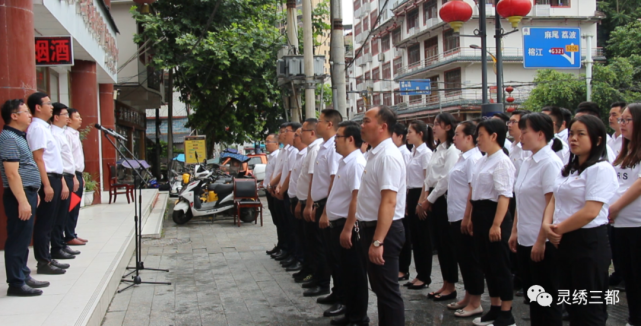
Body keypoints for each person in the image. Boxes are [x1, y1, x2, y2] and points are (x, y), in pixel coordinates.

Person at [544, 114, 617, 326]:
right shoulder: (569, 169)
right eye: (571, 134)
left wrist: (556, 230)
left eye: (580, 134)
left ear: (597, 139)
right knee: (573, 304)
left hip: (587, 242)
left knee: (589, 308)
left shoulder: (600, 169)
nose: (573, 139)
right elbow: (554, 198)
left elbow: (590, 212)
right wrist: (547, 226)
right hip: (563, 239)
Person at [509, 113, 564, 325]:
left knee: (547, 298)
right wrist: (515, 231)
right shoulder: (528, 161)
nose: (520, 136)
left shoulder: (550, 163)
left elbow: (553, 204)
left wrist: (541, 240)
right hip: (525, 237)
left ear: (540, 134)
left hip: (542, 242)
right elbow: (520, 200)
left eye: (525, 132)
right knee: (534, 296)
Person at [357, 105, 406, 326]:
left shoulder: (387, 156)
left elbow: (389, 201)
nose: (362, 125)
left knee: (387, 292)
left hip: (384, 231)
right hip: (373, 228)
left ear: (382, 126)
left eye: (367, 121)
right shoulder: (374, 153)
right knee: (380, 289)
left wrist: (378, 241)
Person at [470, 119, 516, 326]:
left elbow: (504, 196)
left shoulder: (502, 161)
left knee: (500, 265)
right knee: (487, 264)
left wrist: (496, 224)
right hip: (480, 213)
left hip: (494, 214)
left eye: (480, 135)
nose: (478, 139)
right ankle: (495, 307)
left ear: (494, 136)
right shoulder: (483, 160)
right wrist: (471, 217)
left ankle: (507, 311)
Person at [1, 99, 49, 296]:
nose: (30, 115)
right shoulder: (8, 138)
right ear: (14, 116)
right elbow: (12, 173)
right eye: (25, 112)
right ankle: (16, 283)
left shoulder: (18, 136)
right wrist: (22, 200)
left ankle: (23, 274)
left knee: (23, 237)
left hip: (27, 192)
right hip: (18, 196)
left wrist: (33, 193)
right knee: (17, 239)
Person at [324, 121, 368, 325]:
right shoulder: (345, 161)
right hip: (338, 224)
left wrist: (348, 228)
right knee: (346, 272)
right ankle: (350, 312)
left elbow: (356, 198)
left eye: (338, 137)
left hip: (346, 225)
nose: (335, 142)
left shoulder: (357, 163)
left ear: (351, 139)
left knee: (355, 274)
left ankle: (358, 317)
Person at [419, 113, 461, 301]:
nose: (434, 127)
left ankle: (451, 285)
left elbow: (446, 179)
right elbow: (429, 176)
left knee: (447, 245)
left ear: (448, 127)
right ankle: (445, 283)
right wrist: (426, 195)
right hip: (434, 197)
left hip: (443, 199)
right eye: (434, 124)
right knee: (440, 245)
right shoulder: (437, 149)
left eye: (438, 124)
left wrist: (430, 199)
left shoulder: (452, 150)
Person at [26, 92, 68, 275]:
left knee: (51, 221)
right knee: (44, 222)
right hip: (47, 179)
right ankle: (43, 261)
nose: (51, 107)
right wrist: (47, 185)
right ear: (38, 107)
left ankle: (48, 257)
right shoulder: (37, 128)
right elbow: (38, 158)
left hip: (55, 177)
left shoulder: (45, 128)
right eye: (48, 103)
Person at [446, 121, 484, 318]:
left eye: (458, 134)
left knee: (471, 260)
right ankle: (468, 296)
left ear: (469, 137)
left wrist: (467, 217)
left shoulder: (473, 159)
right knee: (463, 259)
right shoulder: (462, 157)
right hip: (455, 214)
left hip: (464, 216)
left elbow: (473, 189)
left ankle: (476, 302)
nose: (454, 137)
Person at [608, 103, 641, 326]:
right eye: (622, 120)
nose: (622, 124)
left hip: (637, 224)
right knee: (629, 278)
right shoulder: (624, 151)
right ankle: (634, 317)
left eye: (626, 120)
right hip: (618, 224)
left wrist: (616, 207)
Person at [310, 109, 343, 306]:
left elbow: (333, 180)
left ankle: (341, 297)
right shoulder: (324, 146)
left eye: (320, 121)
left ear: (330, 124)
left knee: (335, 256)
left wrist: (326, 210)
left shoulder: (333, 148)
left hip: (329, 205)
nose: (317, 125)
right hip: (321, 203)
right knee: (330, 254)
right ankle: (336, 292)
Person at [402, 120, 433, 288]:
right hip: (412, 193)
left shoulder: (426, 153)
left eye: (410, 132)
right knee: (415, 237)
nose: (407, 135)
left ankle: (424, 276)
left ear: (420, 134)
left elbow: (426, 179)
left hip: (420, 194)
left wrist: (422, 201)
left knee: (423, 238)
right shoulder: (413, 152)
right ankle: (419, 273)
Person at [50, 103, 81, 259]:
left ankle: (65, 239)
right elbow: (59, 160)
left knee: (70, 209)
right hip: (65, 176)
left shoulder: (64, 133)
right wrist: (69, 177)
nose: (70, 118)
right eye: (67, 115)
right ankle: (61, 242)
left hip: (72, 175)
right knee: (63, 212)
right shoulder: (59, 134)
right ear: (57, 117)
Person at [295, 118, 323, 284]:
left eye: (302, 132)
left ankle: (319, 278)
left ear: (312, 133)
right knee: (308, 241)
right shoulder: (311, 150)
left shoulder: (315, 150)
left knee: (316, 244)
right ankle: (312, 272)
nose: (299, 135)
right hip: (305, 200)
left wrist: (309, 204)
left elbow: (313, 179)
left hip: (312, 202)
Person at [275, 122, 302, 270]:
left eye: (287, 131)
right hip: (287, 193)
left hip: (296, 197)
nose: (283, 134)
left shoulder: (296, 152)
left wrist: (280, 187)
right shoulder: (287, 151)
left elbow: (290, 174)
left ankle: (297, 256)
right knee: (285, 225)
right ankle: (288, 251)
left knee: (295, 231)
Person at [392, 123, 412, 282]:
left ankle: (403, 269)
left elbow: (405, 179)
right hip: (399, 199)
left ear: (400, 136)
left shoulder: (404, 153)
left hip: (401, 199)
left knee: (403, 236)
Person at [64, 108, 87, 245]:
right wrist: (73, 176)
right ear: (69, 120)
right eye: (77, 117)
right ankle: (68, 235)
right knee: (71, 207)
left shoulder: (75, 134)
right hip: (71, 175)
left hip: (77, 174)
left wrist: (80, 175)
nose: (80, 119)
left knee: (75, 205)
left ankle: (72, 233)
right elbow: (68, 158)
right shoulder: (67, 134)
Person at [286, 125, 307, 274]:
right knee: (295, 231)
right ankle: (298, 259)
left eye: (296, 135)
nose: (294, 137)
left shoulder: (307, 154)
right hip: (294, 198)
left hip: (305, 202)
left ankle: (303, 261)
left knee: (307, 239)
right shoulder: (299, 154)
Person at [268, 125, 290, 262]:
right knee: (280, 222)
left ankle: (289, 251)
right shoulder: (283, 151)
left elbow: (286, 173)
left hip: (282, 191)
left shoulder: (291, 152)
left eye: (285, 132)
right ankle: (282, 246)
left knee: (287, 225)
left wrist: (276, 186)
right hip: (275, 190)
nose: (282, 134)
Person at [264, 134, 282, 256]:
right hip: (269, 190)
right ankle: (280, 245)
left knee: (281, 222)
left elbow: (279, 174)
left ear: (276, 143)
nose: (266, 144)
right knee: (277, 221)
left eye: (268, 141)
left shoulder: (277, 156)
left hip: (275, 191)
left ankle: (284, 247)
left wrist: (272, 185)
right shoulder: (271, 156)